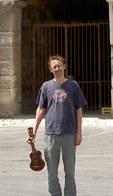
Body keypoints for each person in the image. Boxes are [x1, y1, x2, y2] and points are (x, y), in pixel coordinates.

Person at [27, 55, 87, 196]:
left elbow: (79, 109)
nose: (57, 69)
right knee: (52, 170)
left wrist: (79, 132)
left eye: (59, 66)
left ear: (64, 66)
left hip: (69, 132)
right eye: (54, 67)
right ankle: (55, 193)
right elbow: (41, 109)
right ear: (50, 69)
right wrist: (34, 131)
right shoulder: (46, 87)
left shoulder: (73, 86)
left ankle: (70, 193)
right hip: (51, 134)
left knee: (70, 170)